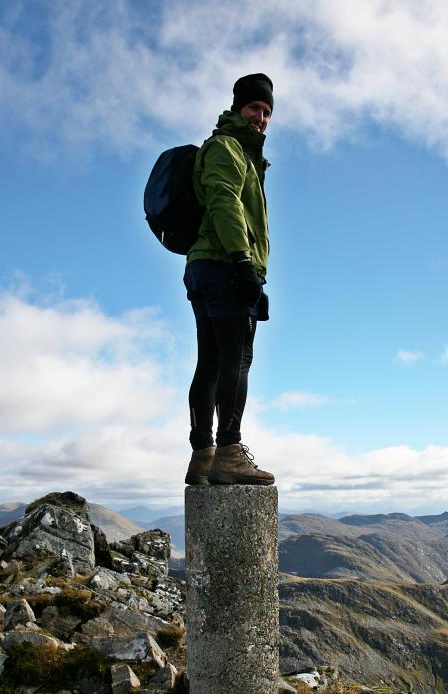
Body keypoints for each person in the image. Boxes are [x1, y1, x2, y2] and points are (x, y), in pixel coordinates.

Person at [184, 73, 276, 488]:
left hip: (207, 266)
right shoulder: (227, 147)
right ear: (239, 107)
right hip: (225, 264)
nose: (261, 118)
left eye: (267, 112)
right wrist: (243, 262)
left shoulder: (239, 152)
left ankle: (203, 454)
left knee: (211, 360)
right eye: (255, 108)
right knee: (237, 359)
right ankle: (230, 452)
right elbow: (224, 201)